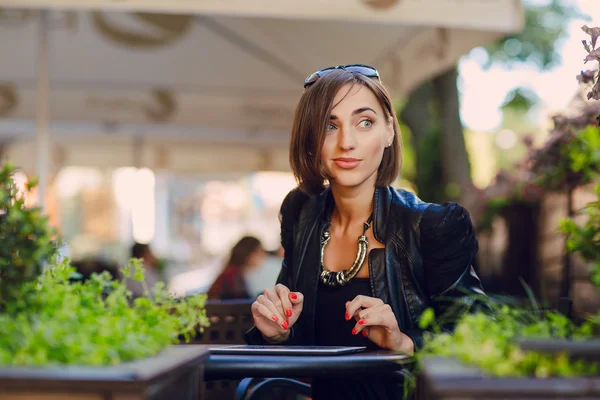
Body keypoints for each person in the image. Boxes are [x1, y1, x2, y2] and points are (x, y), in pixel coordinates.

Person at [244, 64, 485, 399]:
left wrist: (404, 341)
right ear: (310, 141)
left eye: (365, 122)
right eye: (330, 125)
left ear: (389, 131)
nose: (347, 142)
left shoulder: (434, 225)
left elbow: (478, 335)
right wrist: (277, 334)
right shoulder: (300, 212)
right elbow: (304, 342)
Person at [208, 236, 266, 300]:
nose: (263, 256)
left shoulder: (232, 272)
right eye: (260, 251)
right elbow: (240, 304)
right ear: (249, 254)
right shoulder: (233, 276)